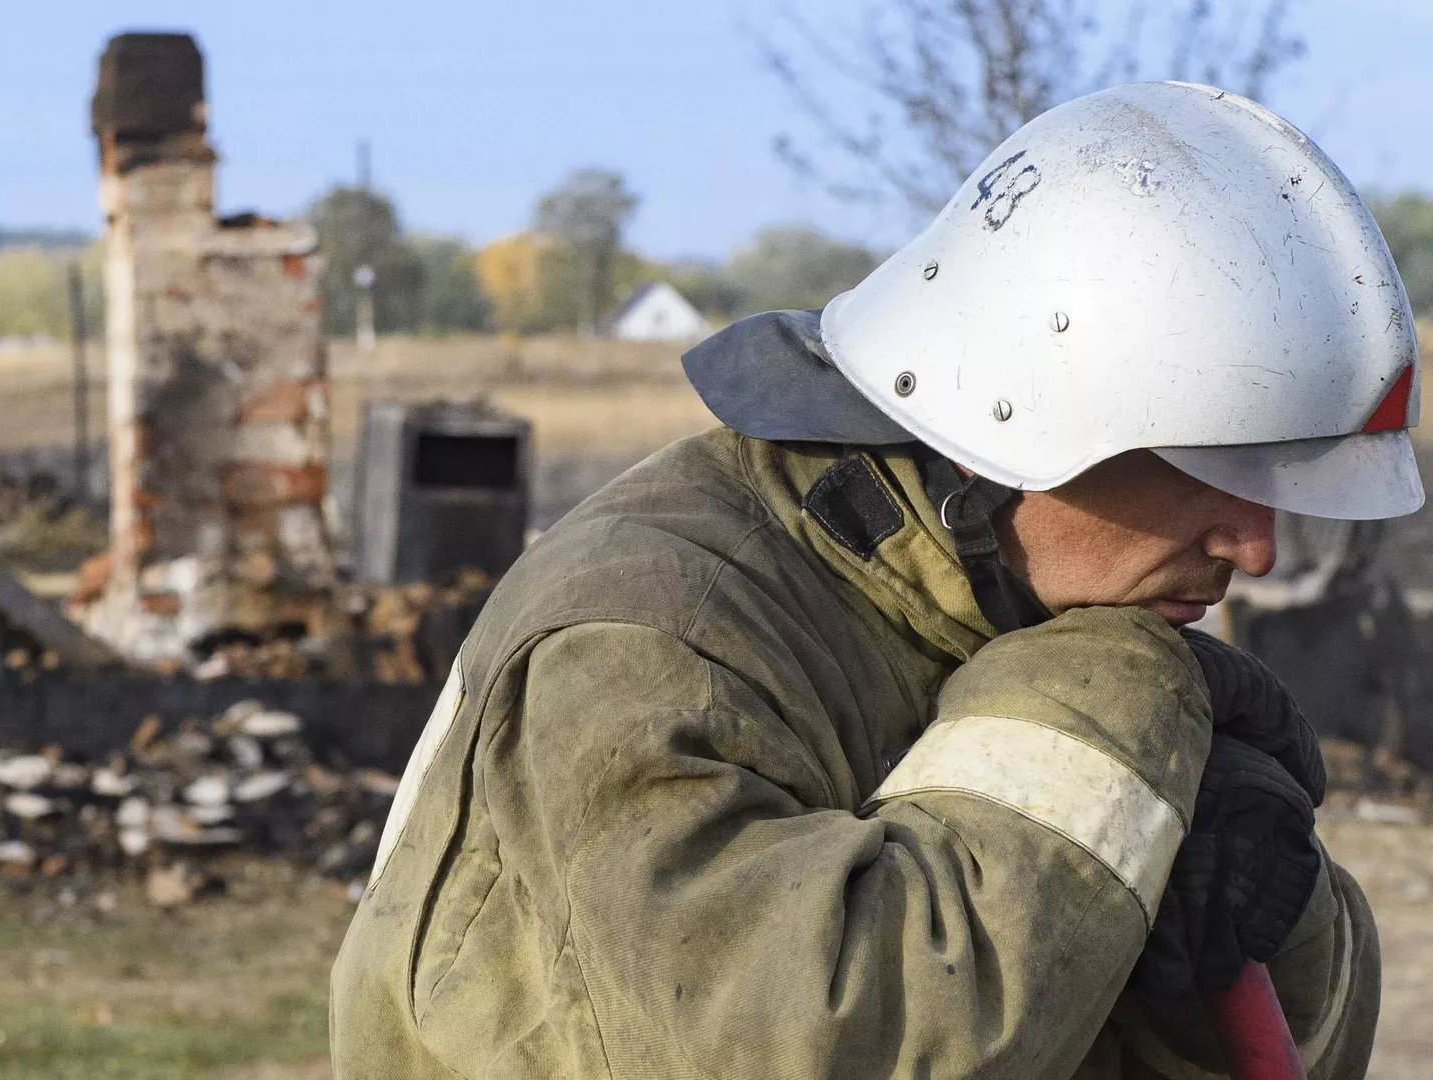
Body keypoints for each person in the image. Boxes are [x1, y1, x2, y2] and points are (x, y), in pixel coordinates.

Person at [331, 81, 1414, 1079]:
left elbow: (1308, 1048)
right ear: (1019, 416)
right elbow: (816, 1046)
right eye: (1216, 470)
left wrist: (1273, 907)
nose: (1258, 546)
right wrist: (1114, 705)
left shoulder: (1034, 607)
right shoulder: (649, 642)